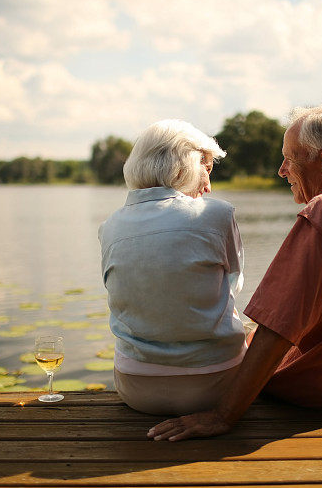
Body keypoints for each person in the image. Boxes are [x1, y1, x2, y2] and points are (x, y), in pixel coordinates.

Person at [148, 103, 322, 441]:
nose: (282, 171)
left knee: (231, 345)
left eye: (290, 159)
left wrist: (223, 415)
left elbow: (277, 328)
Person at [98, 119, 248, 415]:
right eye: (207, 169)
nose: (209, 185)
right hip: (214, 386)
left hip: (135, 388)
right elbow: (233, 284)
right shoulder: (217, 213)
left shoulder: (109, 226)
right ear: (187, 165)